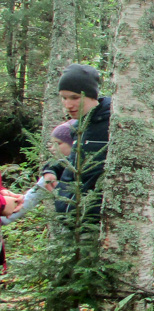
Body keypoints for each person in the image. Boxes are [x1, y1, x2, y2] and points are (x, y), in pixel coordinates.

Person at [0, 122, 74, 274]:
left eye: (58, 144)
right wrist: (6, 206)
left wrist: (5, 197)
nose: (52, 148)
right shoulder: (52, 173)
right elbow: (29, 199)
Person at [44, 64, 111, 226]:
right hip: (72, 223)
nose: (68, 105)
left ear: (92, 95)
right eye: (64, 98)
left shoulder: (112, 123)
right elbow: (71, 160)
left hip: (96, 224)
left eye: (75, 98)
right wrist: (50, 170)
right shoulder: (77, 126)